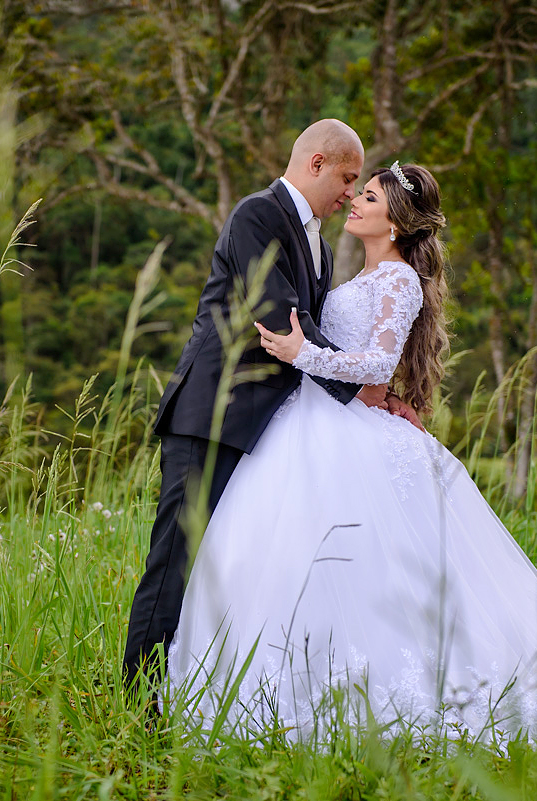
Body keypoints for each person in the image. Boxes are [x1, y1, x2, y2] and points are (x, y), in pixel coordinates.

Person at [166, 163, 537, 763]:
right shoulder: (348, 265)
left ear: (397, 221)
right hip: (313, 426)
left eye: (369, 194)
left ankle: (358, 688)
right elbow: (365, 362)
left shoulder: (399, 280)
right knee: (299, 557)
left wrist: (305, 352)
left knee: (366, 566)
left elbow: (377, 364)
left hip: (342, 426)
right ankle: (280, 683)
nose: (354, 200)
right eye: (354, 188)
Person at [122, 120, 422, 689]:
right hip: (213, 418)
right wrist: (362, 390)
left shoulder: (317, 244)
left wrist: (377, 396)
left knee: (230, 568)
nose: (350, 194)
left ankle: (204, 687)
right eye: (347, 178)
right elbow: (285, 321)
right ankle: (138, 699)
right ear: (316, 164)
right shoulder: (257, 215)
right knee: (175, 563)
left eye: (362, 186)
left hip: (264, 431)